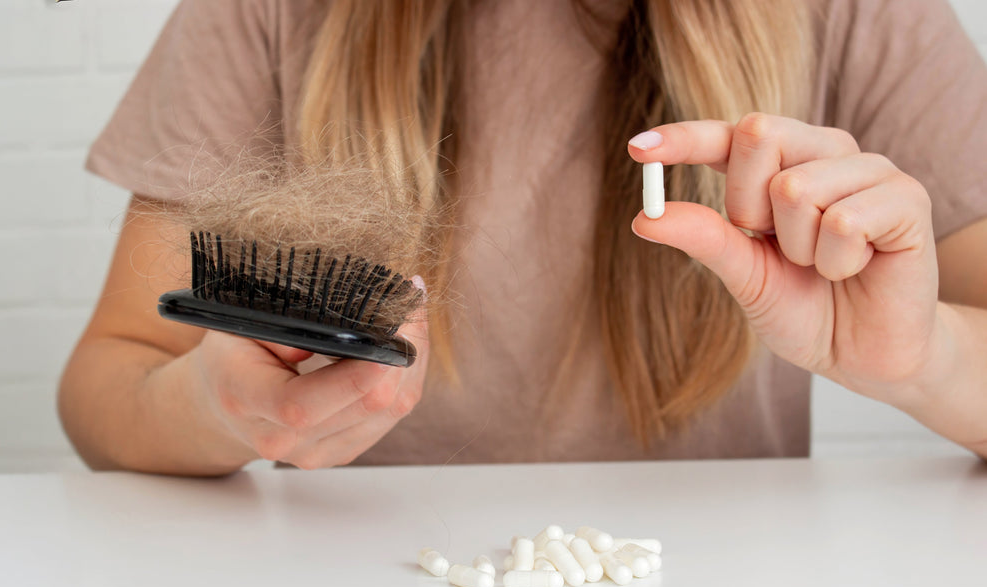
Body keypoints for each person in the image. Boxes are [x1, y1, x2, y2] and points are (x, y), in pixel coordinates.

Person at [59, 0, 987, 476]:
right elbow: (111, 377)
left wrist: (927, 361)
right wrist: (217, 413)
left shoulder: (857, 15)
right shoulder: (268, 15)